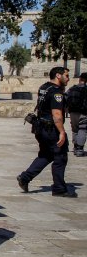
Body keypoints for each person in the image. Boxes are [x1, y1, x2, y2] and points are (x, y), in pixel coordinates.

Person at [17, 67, 76, 197]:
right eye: (66, 75)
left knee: (46, 155)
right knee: (60, 157)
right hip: (51, 130)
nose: (68, 78)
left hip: (41, 128)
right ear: (58, 75)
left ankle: (25, 178)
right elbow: (57, 114)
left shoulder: (44, 87)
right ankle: (59, 188)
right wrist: (62, 132)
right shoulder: (56, 92)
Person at [66, 72, 87, 157]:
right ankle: (79, 149)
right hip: (84, 113)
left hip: (73, 112)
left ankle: (75, 148)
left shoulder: (72, 88)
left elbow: (65, 98)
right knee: (83, 130)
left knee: (75, 130)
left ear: (80, 79)